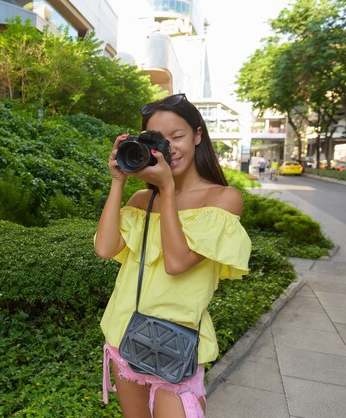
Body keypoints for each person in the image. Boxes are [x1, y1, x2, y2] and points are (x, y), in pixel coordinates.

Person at [94, 93, 251, 418]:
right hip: (124, 334)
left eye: (177, 136)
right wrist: (118, 181)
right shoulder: (141, 199)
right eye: (158, 140)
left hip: (177, 347)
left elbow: (177, 262)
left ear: (197, 135)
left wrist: (166, 190)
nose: (170, 148)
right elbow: (105, 248)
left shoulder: (223, 199)